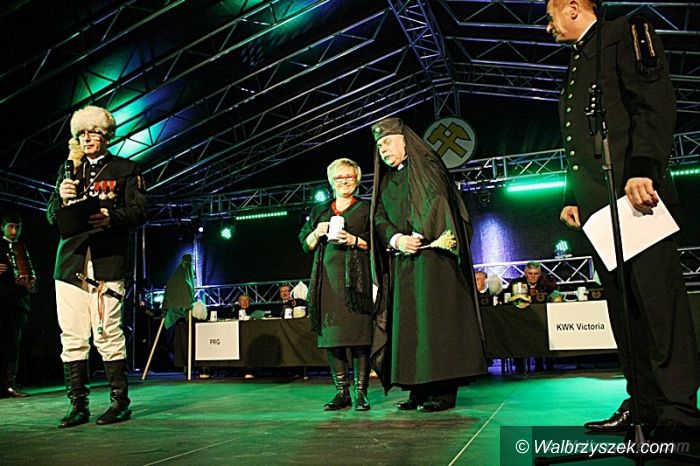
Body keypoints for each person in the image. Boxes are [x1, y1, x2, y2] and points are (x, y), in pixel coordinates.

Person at [546, 0, 700, 440]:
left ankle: (679, 409)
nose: (547, 26)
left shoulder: (625, 32)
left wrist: (644, 167)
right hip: (599, 209)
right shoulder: (578, 60)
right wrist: (571, 195)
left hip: (636, 197)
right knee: (624, 311)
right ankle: (644, 405)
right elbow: (580, 138)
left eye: (550, 16)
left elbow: (653, 102)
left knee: (658, 308)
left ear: (573, 7)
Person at [370, 117, 487, 412]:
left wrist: (418, 234)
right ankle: (417, 388)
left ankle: (444, 391)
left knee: (436, 324)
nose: (384, 150)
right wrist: (397, 239)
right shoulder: (386, 181)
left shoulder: (428, 166)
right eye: (379, 147)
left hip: (434, 262)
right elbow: (378, 216)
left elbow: (437, 202)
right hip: (403, 263)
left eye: (388, 142)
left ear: (405, 141)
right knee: (409, 326)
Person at [46, 105, 148, 428]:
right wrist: (61, 198)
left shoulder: (126, 169)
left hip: (106, 262)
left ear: (106, 136)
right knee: (72, 335)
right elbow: (51, 216)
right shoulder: (68, 170)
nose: (87, 138)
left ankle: (120, 403)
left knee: (107, 332)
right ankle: (78, 405)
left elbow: (140, 211)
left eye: (93, 132)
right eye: (82, 133)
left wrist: (110, 218)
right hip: (70, 262)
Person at [300, 158, 373, 411]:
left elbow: (377, 242)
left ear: (357, 179)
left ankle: (361, 393)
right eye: (339, 178)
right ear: (331, 181)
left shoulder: (366, 208)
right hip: (327, 283)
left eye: (349, 177)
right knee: (333, 339)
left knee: (360, 338)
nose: (344, 182)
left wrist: (354, 240)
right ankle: (342, 392)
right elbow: (305, 244)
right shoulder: (320, 211)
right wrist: (317, 232)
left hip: (357, 282)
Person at [0, 214, 36, 398]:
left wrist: (30, 284)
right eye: (10, 226)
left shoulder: (23, 247)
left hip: (18, 303)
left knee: (12, 346)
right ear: (2, 227)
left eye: (17, 227)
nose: (14, 231)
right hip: (2, 301)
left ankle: (9, 383)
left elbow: (31, 274)